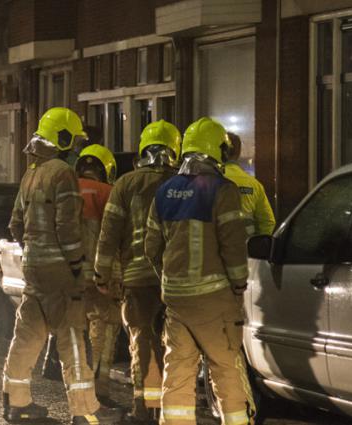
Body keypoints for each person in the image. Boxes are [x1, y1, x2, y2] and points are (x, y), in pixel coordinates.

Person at [2, 107, 120, 425]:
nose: (77, 148)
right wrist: (76, 265)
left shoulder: (30, 174)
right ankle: (85, 410)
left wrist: (34, 250)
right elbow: (67, 226)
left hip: (33, 269)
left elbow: (15, 224)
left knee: (27, 336)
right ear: (64, 138)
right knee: (72, 338)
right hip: (60, 274)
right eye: (75, 141)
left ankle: (16, 403)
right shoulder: (62, 173)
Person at [144, 117, 253, 425]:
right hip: (214, 300)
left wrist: (169, 278)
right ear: (216, 150)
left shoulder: (164, 191)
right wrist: (239, 284)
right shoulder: (222, 190)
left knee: (177, 373)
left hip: (176, 300)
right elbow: (233, 246)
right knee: (226, 368)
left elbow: (151, 247)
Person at [94, 120, 181, 423]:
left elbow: (109, 234)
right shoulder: (183, 185)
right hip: (177, 280)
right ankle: (174, 409)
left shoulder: (125, 184)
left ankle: (145, 409)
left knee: (142, 344)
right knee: (176, 347)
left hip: (137, 279)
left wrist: (102, 274)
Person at [75, 144, 122, 408]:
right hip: (100, 276)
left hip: (70, 275)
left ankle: (77, 388)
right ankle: (97, 389)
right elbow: (114, 236)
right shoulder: (108, 193)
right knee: (104, 330)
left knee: (74, 332)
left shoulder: (65, 190)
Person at [223, 132, 275, 237]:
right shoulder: (254, 184)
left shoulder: (210, 180)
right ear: (238, 153)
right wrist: (258, 243)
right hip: (246, 245)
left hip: (219, 245)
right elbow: (268, 221)